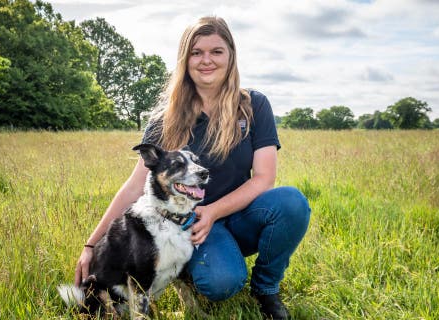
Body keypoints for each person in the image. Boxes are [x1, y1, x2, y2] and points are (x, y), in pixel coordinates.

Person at [74, 16, 310, 320]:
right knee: (222, 282)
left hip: (239, 215)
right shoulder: (165, 118)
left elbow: (264, 178)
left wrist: (212, 212)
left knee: (292, 203)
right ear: (185, 60)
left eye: (216, 51)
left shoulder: (253, 105)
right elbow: (135, 185)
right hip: (190, 226)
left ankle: (266, 289)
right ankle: (198, 271)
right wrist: (91, 244)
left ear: (231, 56)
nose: (206, 60)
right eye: (196, 52)